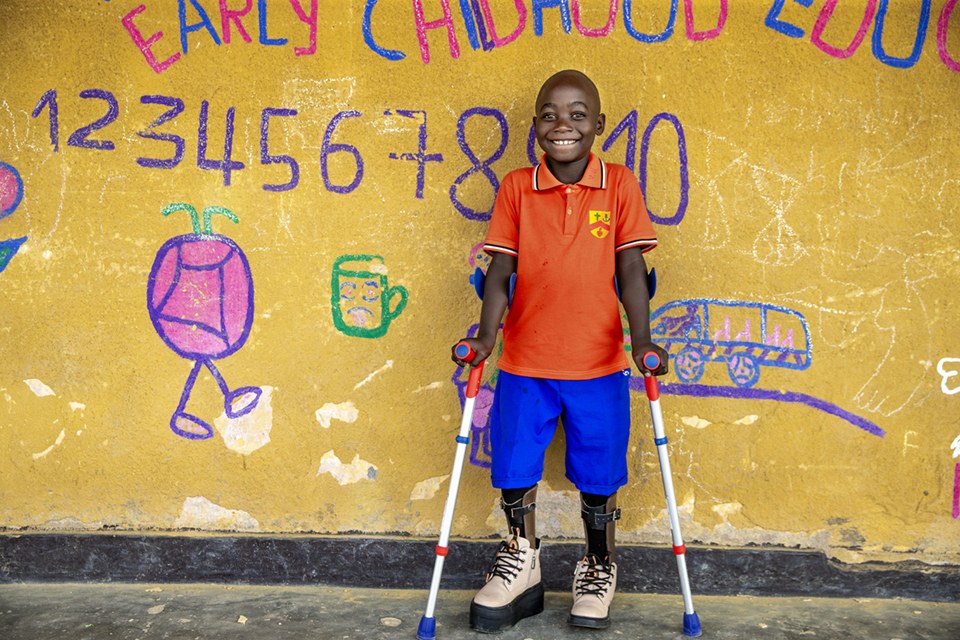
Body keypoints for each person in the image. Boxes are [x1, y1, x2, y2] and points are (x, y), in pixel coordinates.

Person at [452, 69, 668, 633]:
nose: (563, 125)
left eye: (577, 114)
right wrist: (485, 337)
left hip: (597, 364)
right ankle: (521, 562)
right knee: (515, 463)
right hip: (526, 359)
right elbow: (501, 270)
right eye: (549, 114)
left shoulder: (619, 185)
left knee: (599, 468)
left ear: (598, 124)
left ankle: (598, 564)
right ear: (535, 127)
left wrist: (640, 338)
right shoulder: (516, 187)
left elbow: (630, 270)